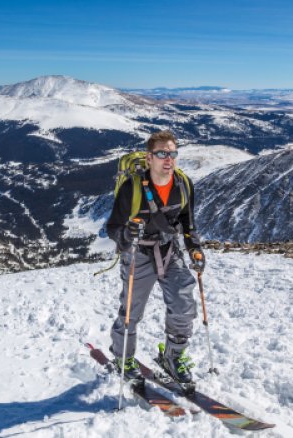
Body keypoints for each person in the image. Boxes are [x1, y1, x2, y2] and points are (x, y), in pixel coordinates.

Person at [106, 130, 205, 383]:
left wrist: (194, 248)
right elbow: (113, 228)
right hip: (137, 252)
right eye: (162, 153)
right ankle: (123, 357)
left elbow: (188, 222)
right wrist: (127, 235)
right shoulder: (132, 187)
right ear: (149, 158)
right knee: (131, 311)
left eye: (172, 153)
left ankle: (173, 356)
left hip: (169, 249)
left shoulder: (183, 184)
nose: (168, 158)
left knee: (184, 304)